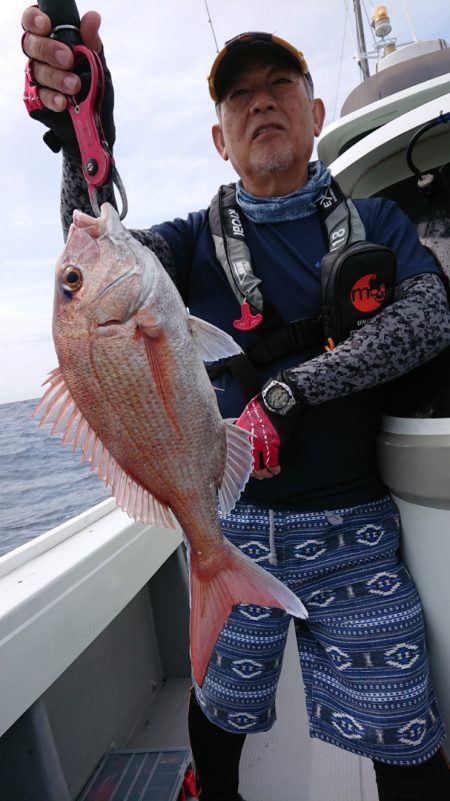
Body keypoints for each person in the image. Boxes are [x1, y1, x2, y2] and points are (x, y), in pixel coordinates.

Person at [21, 8, 450, 801]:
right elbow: (92, 258)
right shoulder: (188, 244)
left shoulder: (378, 221)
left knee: (406, 725)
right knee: (219, 707)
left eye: (280, 83)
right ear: (220, 139)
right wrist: (80, 129)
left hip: (356, 525)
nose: (260, 102)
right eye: (238, 95)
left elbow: (428, 319)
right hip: (231, 519)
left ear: (315, 114)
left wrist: (291, 388)